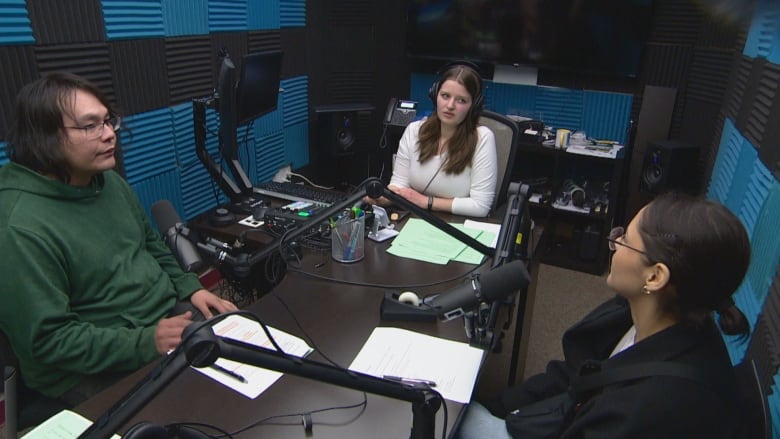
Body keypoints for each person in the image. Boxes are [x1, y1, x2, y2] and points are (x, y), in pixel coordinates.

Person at [0, 72, 237, 412]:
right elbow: (50, 342)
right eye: (91, 126)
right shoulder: (18, 227)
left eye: (109, 121)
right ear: (45, 137)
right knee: (198, 407)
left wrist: (190, 288)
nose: (110, 134)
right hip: (84, 366)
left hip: (158, 318)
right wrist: (146, 342)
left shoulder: (106, 181)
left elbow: (152, 245)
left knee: (240, 353)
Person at [457, 192, 751, 438]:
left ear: (655, 277)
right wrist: (499, 406)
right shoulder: (645, 310)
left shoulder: (654, 406)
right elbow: (574, 372)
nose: (613, 244)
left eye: (624, 240)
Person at [376, 62, 498, 217]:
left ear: (473, 105)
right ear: (435, 95)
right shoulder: (414, 131)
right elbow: (399, 184)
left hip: (458, 226)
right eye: (445, 96)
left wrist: (427, 201)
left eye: (461, 100)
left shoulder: (483, 138)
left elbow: (480, 206)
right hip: (413, 219)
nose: (450, 105)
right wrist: (385, 197)